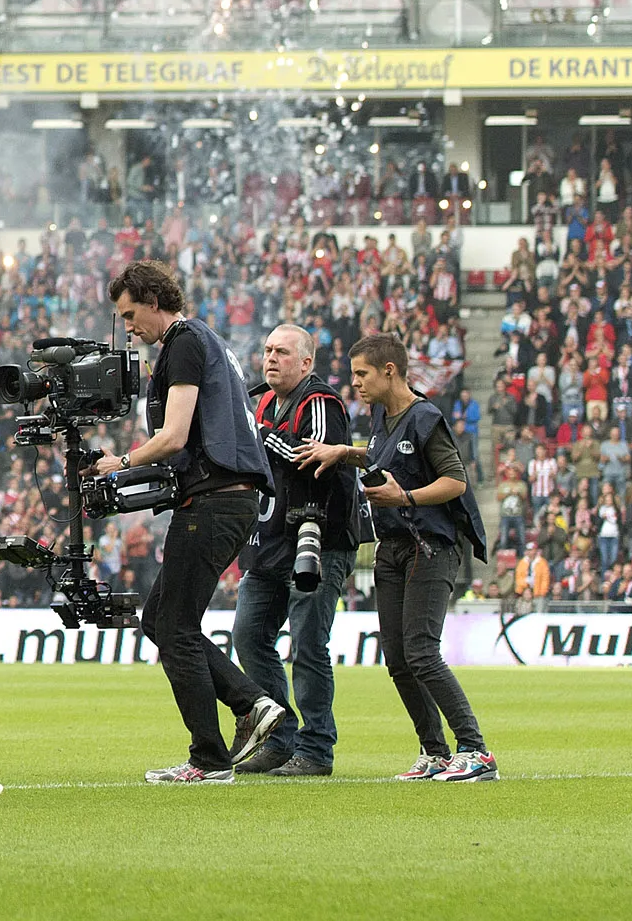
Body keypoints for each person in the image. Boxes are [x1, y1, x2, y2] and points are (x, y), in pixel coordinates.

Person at [96, 258, 287, 785]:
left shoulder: (181, 342)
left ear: (155, 300)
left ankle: (210, 757)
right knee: (160, 620)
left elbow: (175, 435)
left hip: (213, 501)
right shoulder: (210, 341)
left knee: (174, 627)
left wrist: (122, 462)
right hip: (228, 499)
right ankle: (250, 703)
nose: (128, 326)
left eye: (131, 313)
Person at [298, 332, 497, 783]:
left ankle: (476, 750)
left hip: (431, 546)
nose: (356, 385)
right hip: (391, 547)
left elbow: (456, 482)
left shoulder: (425, 417)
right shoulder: (382, 416)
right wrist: (343, 452)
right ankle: (436, 753)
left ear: (390, 371)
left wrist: (403, 496)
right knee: (398, 659)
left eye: (362, 374)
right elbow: (379, 455)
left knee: (422, 652)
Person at [231, 324, 359, 778]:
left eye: (282, 352)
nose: (270, 359)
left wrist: (261, 434)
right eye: (266, 350)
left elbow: (314, 458)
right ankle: (280, 740)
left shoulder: (319, 402)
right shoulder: (262, 400)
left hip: (317, 541)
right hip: (268, 543)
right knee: (248, 636)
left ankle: (317, 749)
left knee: (307, 645)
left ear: (306, 363)